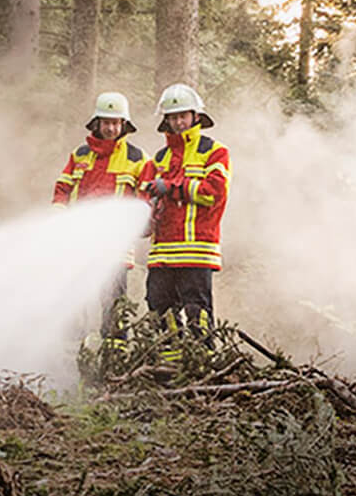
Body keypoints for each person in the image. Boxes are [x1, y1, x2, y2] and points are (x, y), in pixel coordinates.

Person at [53, 91, 153, 353]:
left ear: (124, 124)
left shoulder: (137, 158)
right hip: (80, 245)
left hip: (116, 248)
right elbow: (63, 188)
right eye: (106, 122)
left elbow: (146, 198)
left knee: (114, 305)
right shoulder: (80, 155)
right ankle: (72, 356)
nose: (110, 128)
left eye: (115, 123)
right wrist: (59, 212)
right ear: (96, 123)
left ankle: (114, 357)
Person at [141, 83, 231, 360]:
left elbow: (213, 192)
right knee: (159, 306)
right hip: (162, 251)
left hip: (196, 248)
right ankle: (170, 366)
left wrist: (171, 187)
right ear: (165, 120)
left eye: (183, 116)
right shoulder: (159, 158)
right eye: (173, 117)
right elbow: (145, 194)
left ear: (196, 116)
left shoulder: (213, 151)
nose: (179, 122)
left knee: (197, 310)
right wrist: (146, 211)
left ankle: (201, 363)